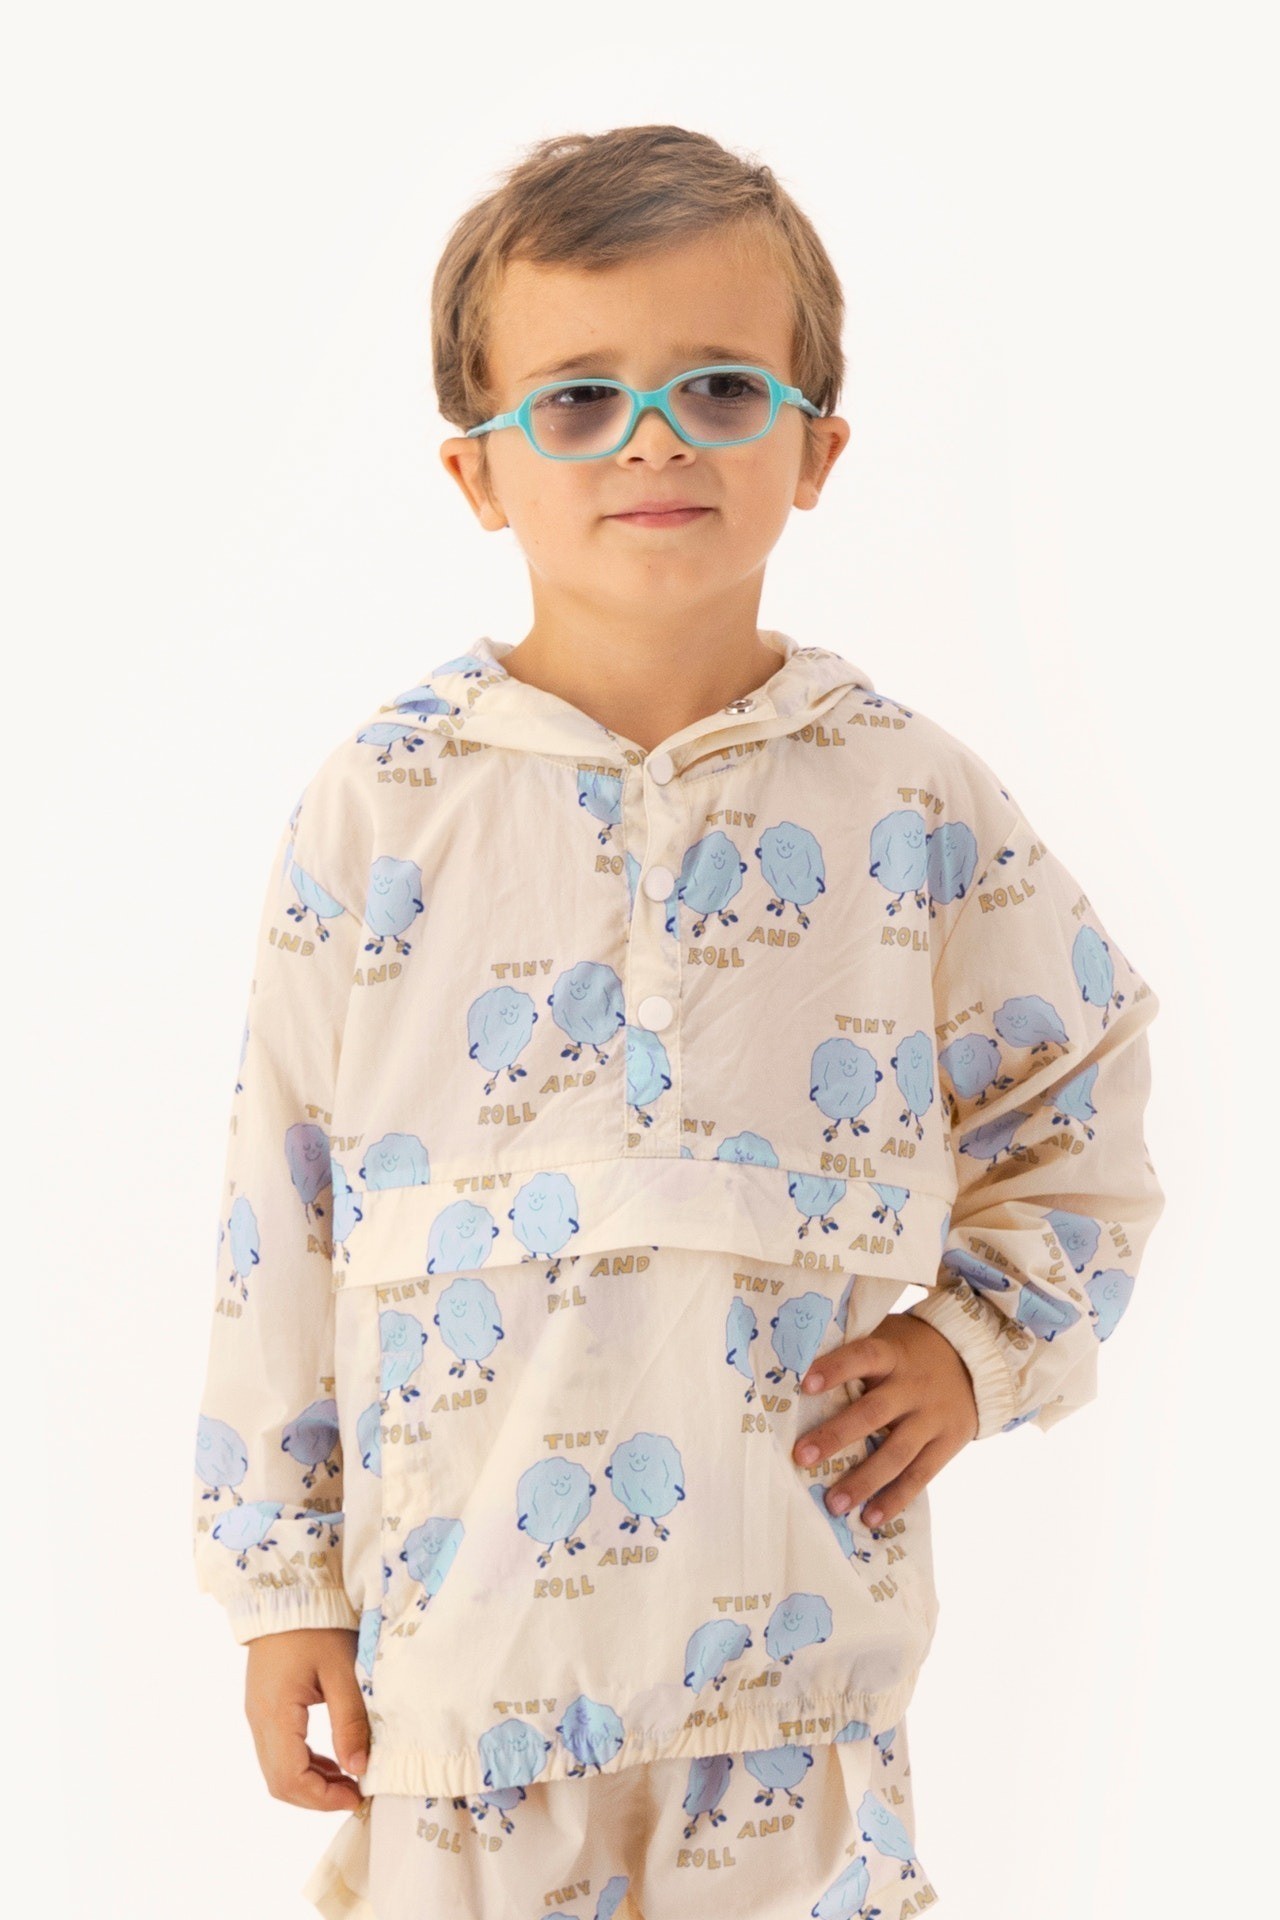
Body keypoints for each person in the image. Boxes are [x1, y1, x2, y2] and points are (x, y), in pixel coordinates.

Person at [190, 124, 1165, 1920]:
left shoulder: (907, 797)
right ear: (479, 472)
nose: (654, 439)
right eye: (579, 400)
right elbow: (284, 1208)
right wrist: (283, 1587)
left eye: (720, 388)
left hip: (791, 1687)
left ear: (816, 448)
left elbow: (1078, 1089)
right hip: (459, 1686)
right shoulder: (381, 805)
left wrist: (978, 1344)